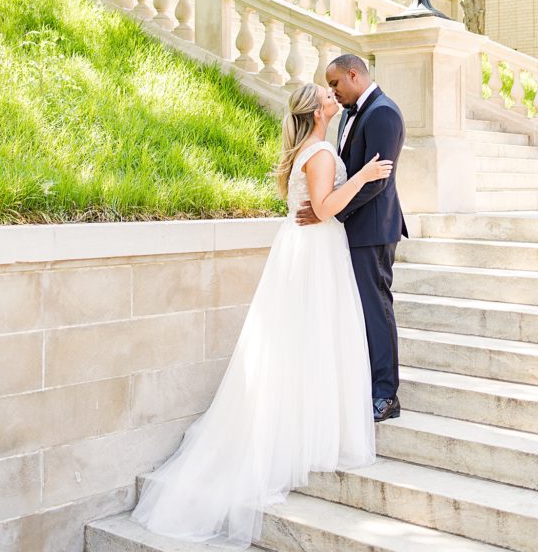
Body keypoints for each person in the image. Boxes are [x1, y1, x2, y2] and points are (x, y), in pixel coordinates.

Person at [131, 82, 392, 549]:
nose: (334, 98)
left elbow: (317, 207)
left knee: (306, 341)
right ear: (316, 112)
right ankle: (297, 438)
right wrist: (364, 176)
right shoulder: (319, 153)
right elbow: (327, 207)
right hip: (314, 253)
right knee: (312, 339)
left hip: (304, 249)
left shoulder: (308, 149)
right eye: (326, 96)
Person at [297, 54, 407, 423]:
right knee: (358, 311)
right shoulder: (348, 112)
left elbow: (378, 179)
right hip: (351, 228)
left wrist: (328, 210)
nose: (332, 91)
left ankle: (386, 395)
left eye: (335, 84)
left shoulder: (383, 113)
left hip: (374, 229)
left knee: (376, 310)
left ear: (353, 74)